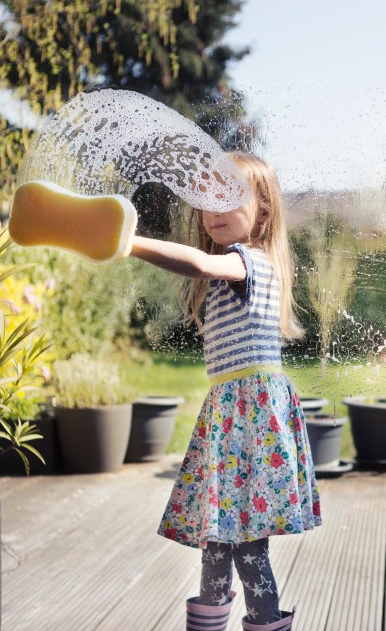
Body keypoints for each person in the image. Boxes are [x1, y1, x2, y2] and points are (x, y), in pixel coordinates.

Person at [129, 152, 322, 631]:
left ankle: (266, 620)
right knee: (216, 540)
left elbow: (195, 264)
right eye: (207, 198)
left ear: (263, 210)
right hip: (231, 415)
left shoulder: (248, 262)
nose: (214, 209)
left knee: (247, 543)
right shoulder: (234, 265)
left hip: (251, 421)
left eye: (229, 198)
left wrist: (127, 242)